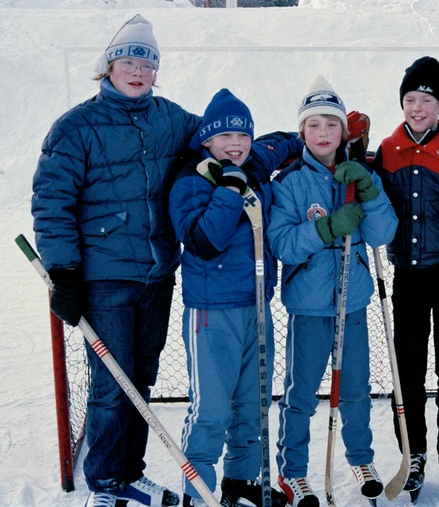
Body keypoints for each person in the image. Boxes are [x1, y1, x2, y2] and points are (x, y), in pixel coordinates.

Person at [31, 14, 201, 507]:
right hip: (105, 277)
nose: (137, 71)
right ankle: (103, 484)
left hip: (156, 272)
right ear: (108, 66)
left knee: (140, 380)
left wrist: (295, 139)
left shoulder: (171, 119)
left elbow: (221, 137)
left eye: (147, 64)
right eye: (128, 60)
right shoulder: (76, 126)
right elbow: (52, 199)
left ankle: (129, 472)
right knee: (111, 383)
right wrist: (63, 271)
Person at [266, 75, 398, 507]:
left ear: (344, 131)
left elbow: (382, 233)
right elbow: (281, 243)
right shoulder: (288, 182)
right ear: (301, 131)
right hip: (309, 306)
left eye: (331, 124)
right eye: (314, 125)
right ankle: (294, 471)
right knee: (301, 394)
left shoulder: (358, 176)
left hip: (353, 300)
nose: (323, 133)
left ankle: (361, 459)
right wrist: (323, 228)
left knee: (357, 388)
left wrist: (370, 191)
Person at [167, 88, 303, 507]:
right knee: (212, 410)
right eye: (225, 136)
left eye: (242, 135)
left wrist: (321, 133)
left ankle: (240, 481)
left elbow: (281, 143)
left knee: (252, 404)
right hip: (212, 311)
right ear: (206, 140)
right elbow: (204, 240)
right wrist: (228, 189)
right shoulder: (191, 179)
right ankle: (199, 492)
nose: (236, 143)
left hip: (256, 305)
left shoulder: (254, 159)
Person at [371, 55, 439, 504]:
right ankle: (413, 452)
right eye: (410, 99)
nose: (417, 108)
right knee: (408, 368)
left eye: (427, 100)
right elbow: (369, 198)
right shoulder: (385, 152)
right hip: (408, 277)